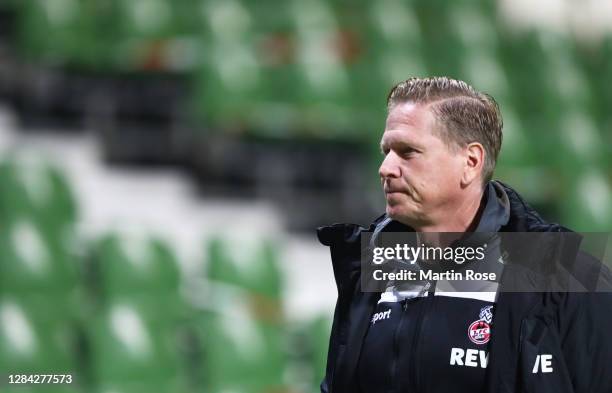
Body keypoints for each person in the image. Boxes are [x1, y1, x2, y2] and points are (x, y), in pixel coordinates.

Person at [317, 77, 612, 393]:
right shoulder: (370, 263)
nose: (386, 167)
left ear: (471, 162)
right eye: (386, 150)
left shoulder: (566, 277)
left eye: (407, 152)